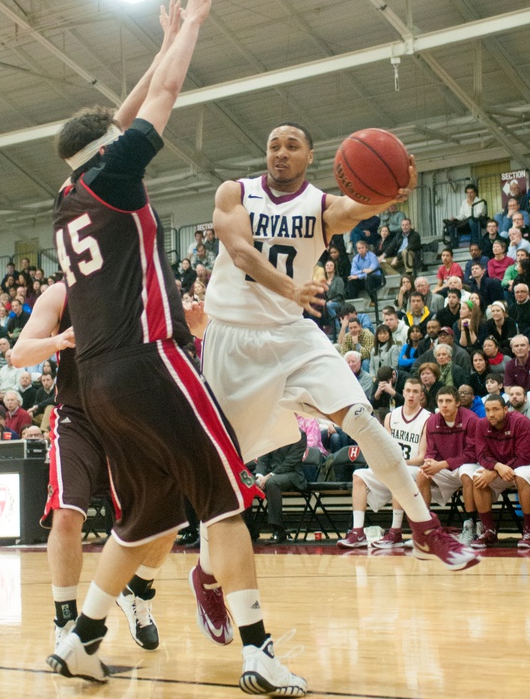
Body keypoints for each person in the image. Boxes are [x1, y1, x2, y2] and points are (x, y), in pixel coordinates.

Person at [50, 0, 306, 696]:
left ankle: (82, 639)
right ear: (110, 149)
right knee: (226, 498)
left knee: (147, 516)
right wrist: (191, 24)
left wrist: (160, 42)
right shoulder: (117, 177)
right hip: (151, 360)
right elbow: (159, 99)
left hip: (98, 383)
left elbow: (120, 116)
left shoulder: (68, 194)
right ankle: (258, 652)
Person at [203, 119, 478, 578]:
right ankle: (207, 576)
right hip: (232, 338)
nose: (281, 152)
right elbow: (240, 252)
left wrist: (394, 192)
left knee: (361, 418)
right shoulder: (235, 192)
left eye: (292, 145)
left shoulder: (320, 207)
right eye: (274, 145)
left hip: (291, 333)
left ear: (311, 156)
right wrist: (291, 288)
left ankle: (424, 527)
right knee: (218, 469)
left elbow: (357, 206)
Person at [12, 280, 173, 652]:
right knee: (66, 515)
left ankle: (137, 591)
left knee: (168, 513)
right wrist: (58, 340)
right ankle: (66, 619)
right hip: (77, 417)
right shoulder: (61, 294)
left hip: (129, 417)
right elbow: (19, 355)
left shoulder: (138, 288)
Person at [338, 377, 430, 549]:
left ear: (421, 395)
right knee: (359, 475)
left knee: (398, 473)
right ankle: (358, 532)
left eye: (415, 392)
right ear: (403, 392)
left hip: (413, 469)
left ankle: (395, 532)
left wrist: (399, 464)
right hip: (392, 466)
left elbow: (422, 457)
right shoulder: (391, 416)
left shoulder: (427, 418)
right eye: (408, 391)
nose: (411, 395)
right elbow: (385, 448)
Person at [470, 395, 530, 549]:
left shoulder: (521, 422)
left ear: (505, 409)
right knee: (477, 477)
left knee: (521, 475)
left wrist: (496, 472)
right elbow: (481, 455)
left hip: (528, 463)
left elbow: (525, 456)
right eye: (487, 410)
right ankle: (489, 531)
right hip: (500, 466)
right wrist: (497, 467)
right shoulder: (481, 424)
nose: (491, 414)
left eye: (495, 409)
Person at [415, 386, 480, 543]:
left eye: (448, 401)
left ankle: (470, 525)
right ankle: (425, 528)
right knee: (422, 474)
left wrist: (442, 464)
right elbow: (431, 451)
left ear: (457, 403)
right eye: (441, 401)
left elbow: (472, 454)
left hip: (468, 465)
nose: (444, 405)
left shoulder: (471, 419)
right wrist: (429, 461)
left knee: (466, 473)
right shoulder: (432, 421)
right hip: (444, 467)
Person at [253, 430, 308, 543]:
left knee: (272, 483)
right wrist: (259, 476)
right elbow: (263, 459)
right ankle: (250, 530)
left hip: (292, 474)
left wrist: (269, 476)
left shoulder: (298, 434)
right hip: (269, 475)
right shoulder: (270, 432)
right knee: (246, 483)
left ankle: (278, 530)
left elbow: (290, 462)